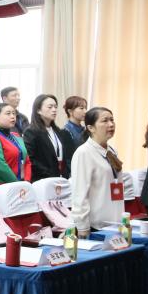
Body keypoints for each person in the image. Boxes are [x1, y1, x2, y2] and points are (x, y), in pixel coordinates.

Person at [69, 107, 125, 237]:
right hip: (96, 226)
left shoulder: (112, 150)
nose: (111, 124)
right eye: (105, 121)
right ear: (90, 128)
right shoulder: (84, 153)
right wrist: (82, 226)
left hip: (116, 222)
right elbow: (80, 193)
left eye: (112, 120)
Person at [24, 94, 75, 181]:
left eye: (55, 107)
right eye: (50, 107)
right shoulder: (31, 132)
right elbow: (31, 159)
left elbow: (65, 157)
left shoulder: (58, 131)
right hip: (43, 179)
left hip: (61, 178)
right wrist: (49, 174)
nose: (54, 110)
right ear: (38, 110)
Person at [0, 103, 32, 188]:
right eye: (8, 113)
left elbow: (27, 160)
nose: (12, 116)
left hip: (22, 186)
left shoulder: (16, 136)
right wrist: (17, 184)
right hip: (2, 187)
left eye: (14, 113)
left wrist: (27, 181)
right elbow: (0, 166)